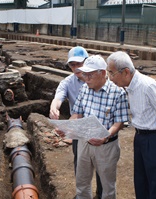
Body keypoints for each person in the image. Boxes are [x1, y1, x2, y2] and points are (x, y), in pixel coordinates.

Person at [106, 51, 156, 199]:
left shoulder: (148, 86)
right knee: (141, 182)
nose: (110, 78)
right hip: (141, 137)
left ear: (126, 72)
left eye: (112, 73)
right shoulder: (130, 87)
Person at [67, 54, 129, 199]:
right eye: (84, 75)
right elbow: (77, 113)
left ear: (102, 73)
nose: (86, 78)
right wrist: (67, 126)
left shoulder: (117, 93)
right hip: (84, 143)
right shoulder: (84, 89)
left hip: (106, 147)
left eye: (90, 75)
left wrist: (106, 135)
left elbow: (119, 122)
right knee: (82, 182)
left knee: (107, 186)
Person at [49, 46, 103, 198]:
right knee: (80, 164)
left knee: (100, 163)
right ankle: (83, 195)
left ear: (86, 62)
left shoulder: (97, 80)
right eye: (72, 65)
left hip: (97, 127)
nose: (76, 68)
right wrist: (54, 108)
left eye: (79, 64)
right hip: (79, 127)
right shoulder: (68, 82)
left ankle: (101, 193)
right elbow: (58, 97)